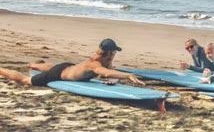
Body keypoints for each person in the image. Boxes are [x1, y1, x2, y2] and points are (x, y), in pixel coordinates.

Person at [0, 38, 145, 86]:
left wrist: (114, 80)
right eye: (114, 51)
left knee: (52, 66)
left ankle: (32, 65)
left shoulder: (105, 59)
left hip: (67, 67)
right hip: (58, 74)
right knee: (25, 80)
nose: (115, 53)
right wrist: (127, 75)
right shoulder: (94, 63)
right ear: (108, 52)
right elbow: (104, 72)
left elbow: (110, 73)